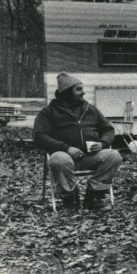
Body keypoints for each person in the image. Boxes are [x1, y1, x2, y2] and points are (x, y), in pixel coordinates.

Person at [34, 72, 121, 210]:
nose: (83, 93)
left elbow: (108, 129)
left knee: (113, 156)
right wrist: (66, 148)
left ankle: (93, 198)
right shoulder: (49, 112)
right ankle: (69, 199)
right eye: (78, 89)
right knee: (58, 159)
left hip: (91, 156)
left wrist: (103, 143)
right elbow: (39, 136)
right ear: (67, 93)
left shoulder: (91, 109)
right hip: (64, 156)